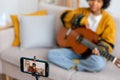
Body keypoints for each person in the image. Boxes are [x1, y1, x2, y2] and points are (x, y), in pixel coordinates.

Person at [47, 0, 116, 72]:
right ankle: (81, 65)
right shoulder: (82, 10)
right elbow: (64, 15)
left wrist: (100, 49)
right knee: (51, 54)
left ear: (104, 3)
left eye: (98, 1)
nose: (94, 3)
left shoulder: (108, 19)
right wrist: (81, 20)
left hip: (92, 54)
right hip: (76, 50)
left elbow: (108, 40)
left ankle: (76, 65)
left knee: (98, 63)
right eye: (92, 0)